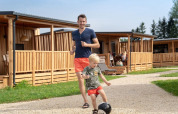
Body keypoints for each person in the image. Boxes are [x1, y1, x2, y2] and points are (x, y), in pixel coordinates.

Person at [70, 14, 100, 108]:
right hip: (77, 58)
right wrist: (72, 50)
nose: (82, 23)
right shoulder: (74, 33)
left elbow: (97, 45)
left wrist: (87, 45)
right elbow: (74, 45)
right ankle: (86, 101)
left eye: (83, 21)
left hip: (88, 59)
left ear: (86, 22)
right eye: (80, 21)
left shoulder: (90, 31)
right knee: (80, 79)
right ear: (77, 22)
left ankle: (95, 93)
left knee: (90, 79)